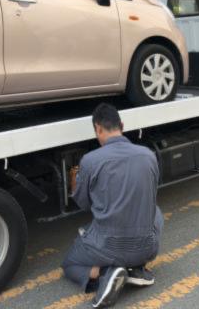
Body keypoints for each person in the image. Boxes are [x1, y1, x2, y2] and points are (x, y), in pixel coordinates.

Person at [62, 103, 164, 308]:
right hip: (148, 248)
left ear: (98, 129)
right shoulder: (148, 155)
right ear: (122, 125)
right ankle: (136, 268)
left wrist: (75, 183)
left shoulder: (90, 160)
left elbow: (83, 204)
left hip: (108, 248)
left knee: (69, 264)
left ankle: (106, 273)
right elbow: (150, 193)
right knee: (156, 211)